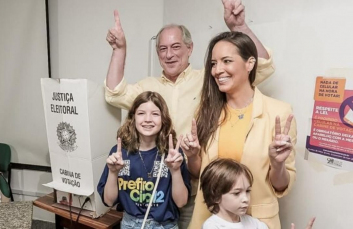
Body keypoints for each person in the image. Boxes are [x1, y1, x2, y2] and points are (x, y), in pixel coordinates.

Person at [104, 1, 275, 228]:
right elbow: (115, 94)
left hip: (196, 188)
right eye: (163, 49)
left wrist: (240, 27)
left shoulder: (209, 79)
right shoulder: (149, 85)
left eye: (176, 47)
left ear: (190, 48)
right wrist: (119, 50)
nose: (169, 54)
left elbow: (262, 67)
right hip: (156, 192)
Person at [182, 31, 297, 229]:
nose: (218, 70)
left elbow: (281, 186)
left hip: (257, 222)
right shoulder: (206, 111)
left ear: (250, 63)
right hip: (207, 219)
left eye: (226, 61)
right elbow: (199, 173)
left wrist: (277, 164)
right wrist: (192, 156)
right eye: (213, 64)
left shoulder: (279, 112)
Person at [97, 91, 191, 229]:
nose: (148, 119)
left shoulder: (173, 155)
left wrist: (175, 170)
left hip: (165, 225)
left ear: (163, 119)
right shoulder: (119, 154)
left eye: (155, 114)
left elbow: (181, 202)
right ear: (133, 118)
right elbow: (109, 201)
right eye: (141, 113)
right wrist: (113, 173)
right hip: (130, 224)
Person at [201, 158, 269, 229]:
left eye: (247, 191)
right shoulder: (211, 226)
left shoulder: (254, 224)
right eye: (236, 193)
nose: (245, 199)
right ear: (216, 197)